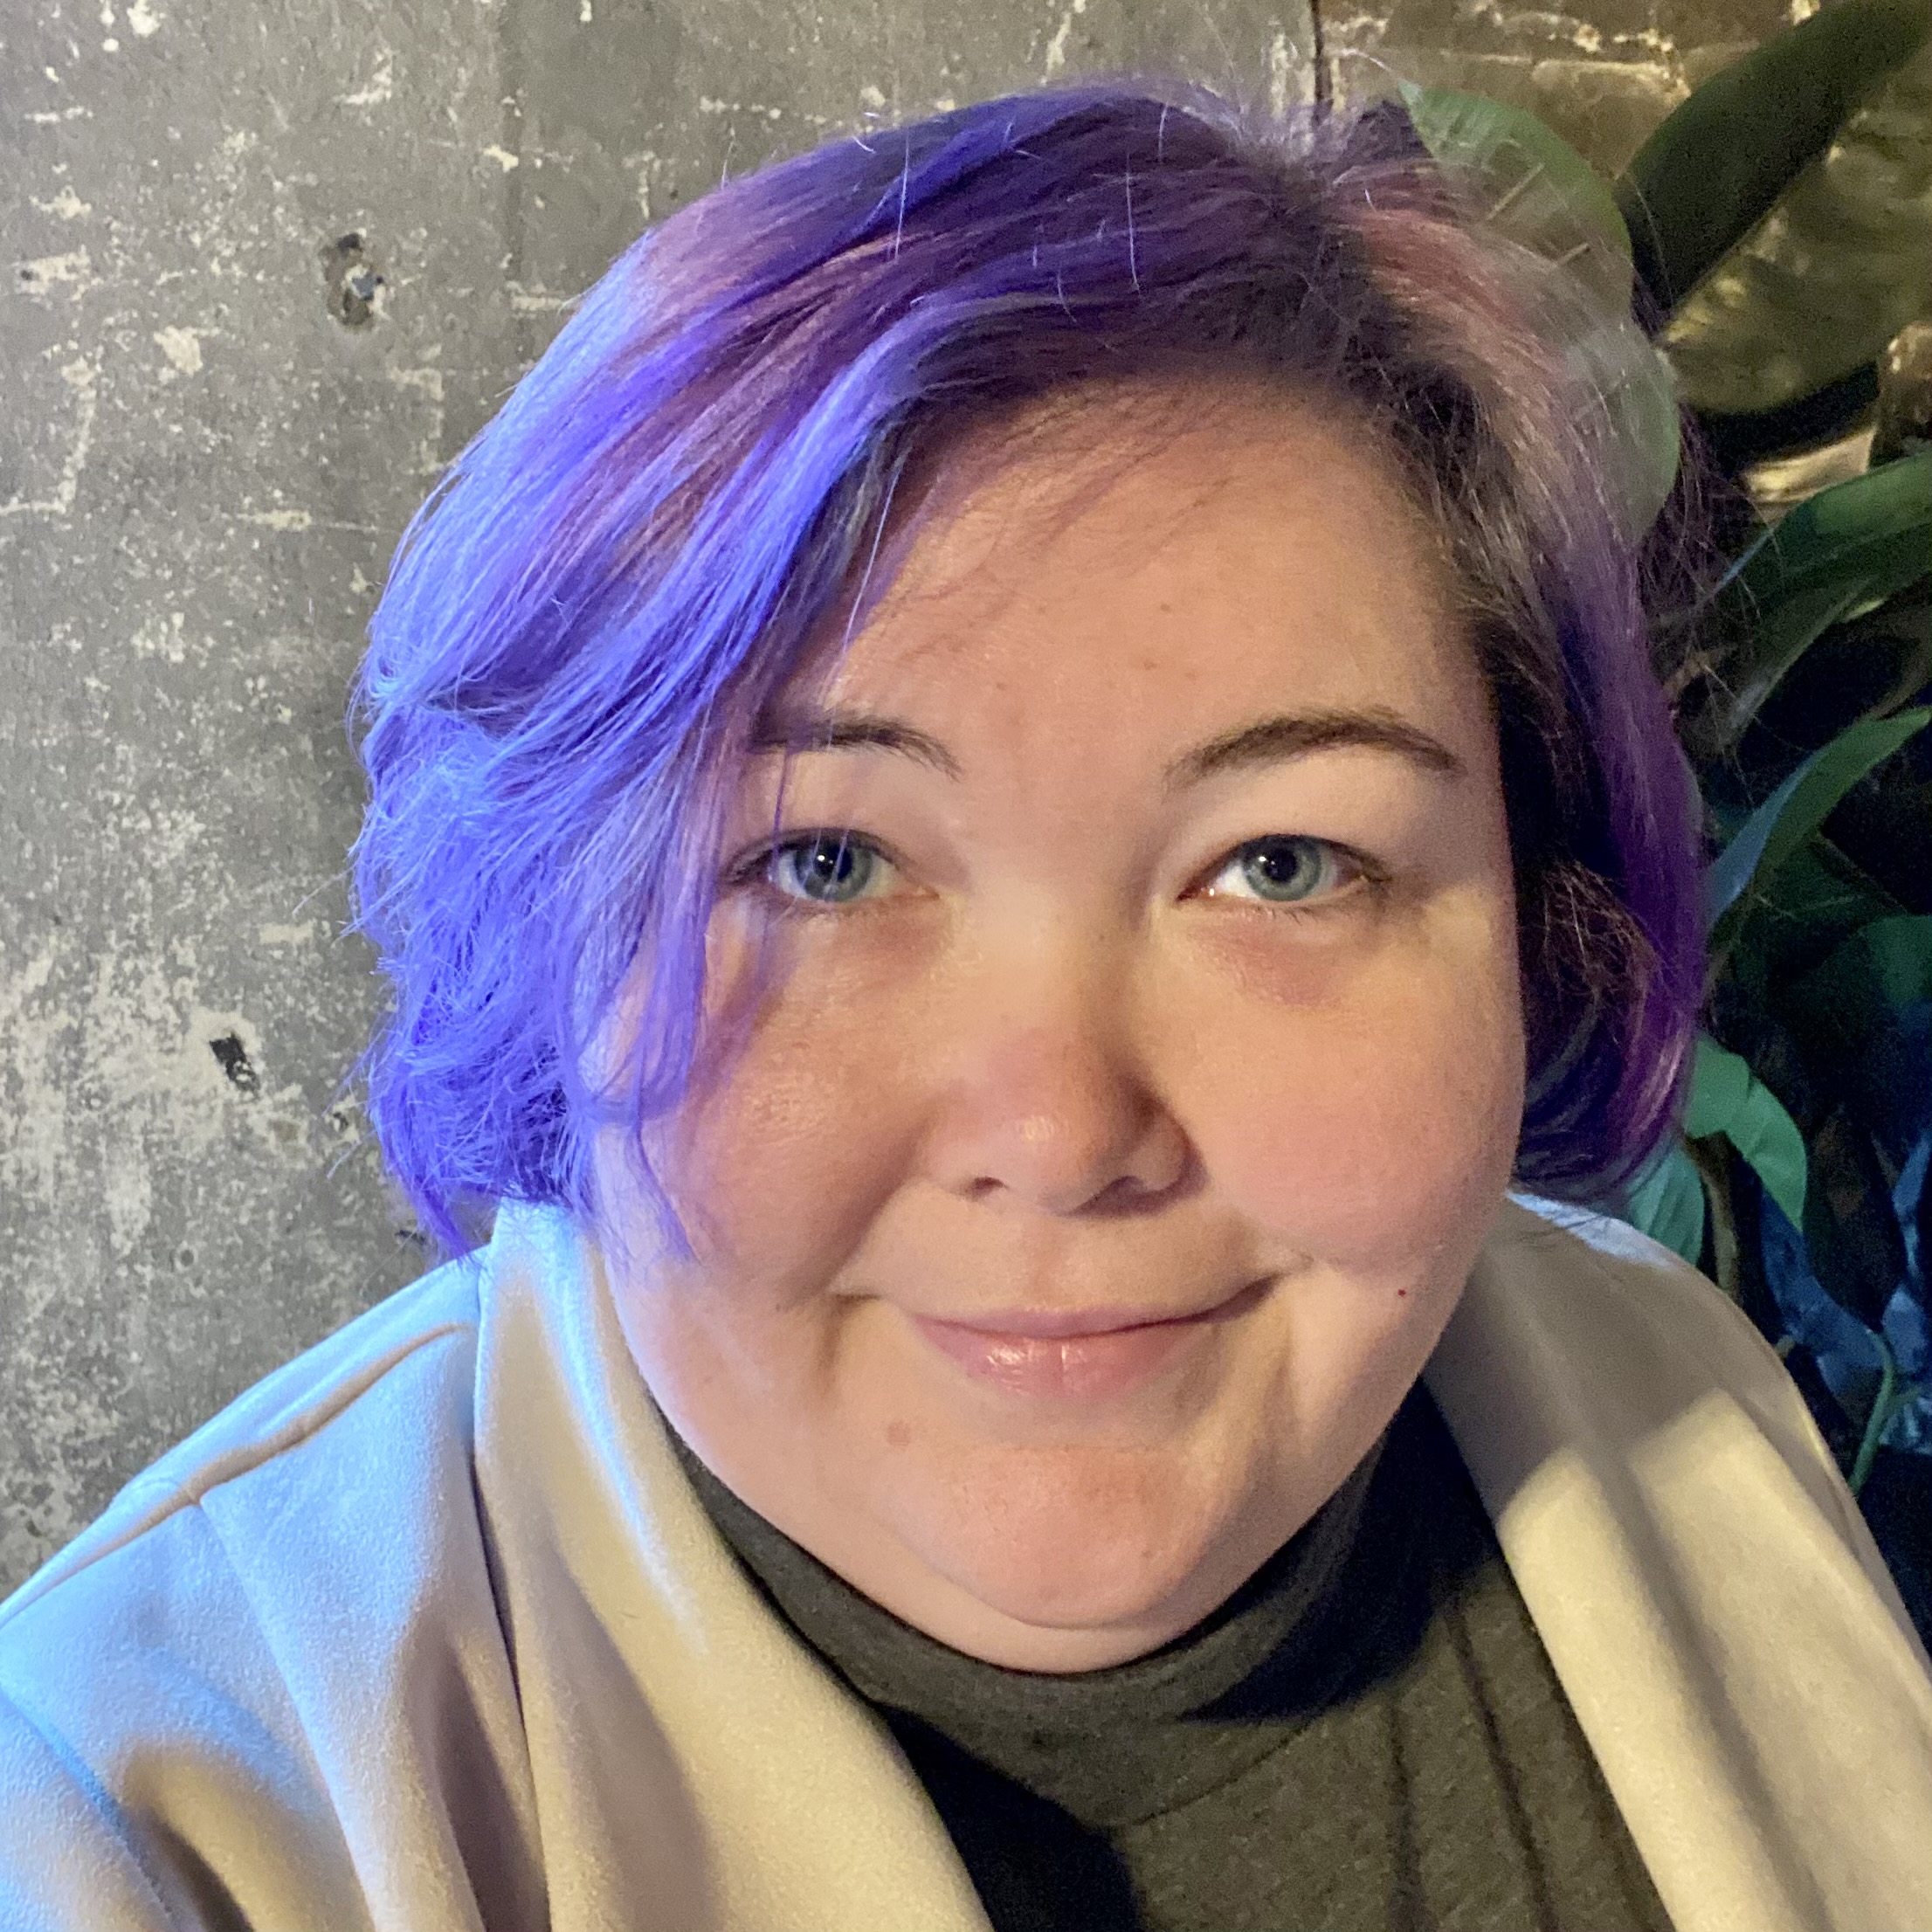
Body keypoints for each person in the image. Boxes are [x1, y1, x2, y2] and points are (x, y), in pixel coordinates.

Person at [1, 74, 1927, 1932]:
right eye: (825, 861)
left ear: (1529, 914)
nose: (1063, 1129)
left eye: (1279, 862)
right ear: (558, 946)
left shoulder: (1670, 1385)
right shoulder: (133, 1822)